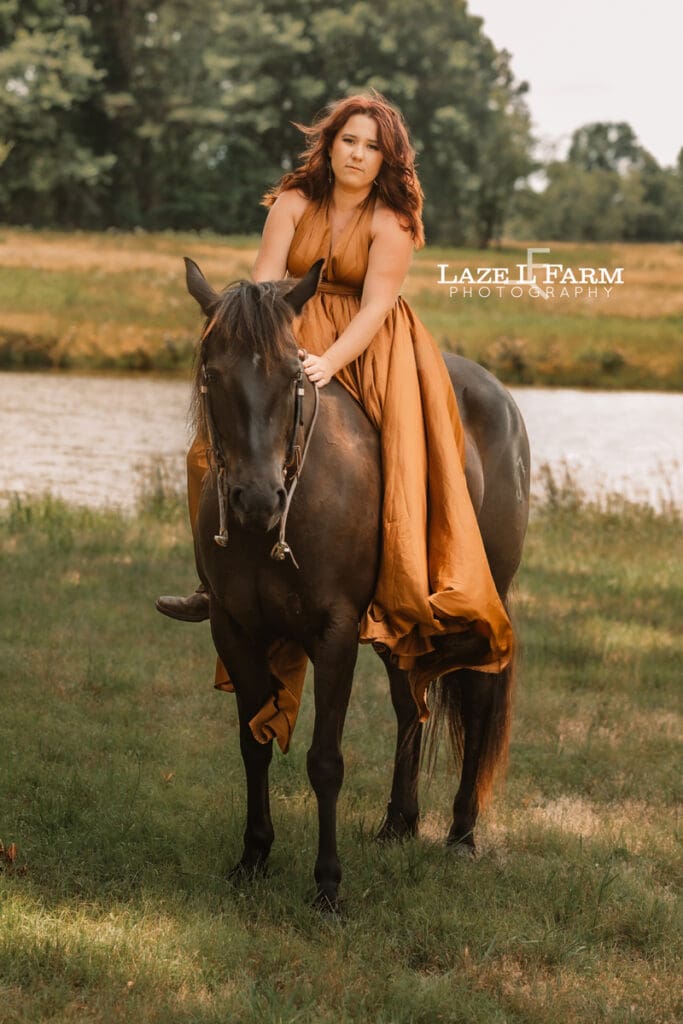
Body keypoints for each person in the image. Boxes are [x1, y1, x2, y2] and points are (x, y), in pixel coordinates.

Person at [157, 92, 513, 738]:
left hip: (369, 345)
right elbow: (266, 287)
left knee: (406, 448)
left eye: (371, 146)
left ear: (386, 159)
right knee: (206, 451)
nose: (357, 154)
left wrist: (327, 362)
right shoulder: (293, 202)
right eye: (349, 140)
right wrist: (279, 351)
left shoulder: (391, 220)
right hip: (287, 333)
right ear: (329, 145)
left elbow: (377, 305)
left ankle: (419, 575)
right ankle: (214, 582)